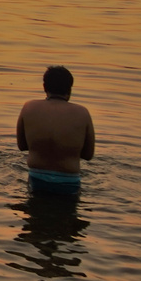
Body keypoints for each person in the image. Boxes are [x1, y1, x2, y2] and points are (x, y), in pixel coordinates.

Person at [17, 65, 95, 196]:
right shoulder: (82, 113)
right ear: (69, 89)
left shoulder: (29, 107)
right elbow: (88, 155)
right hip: (69, 183)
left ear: (44, 87)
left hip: (36, 180)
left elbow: (22, 146)